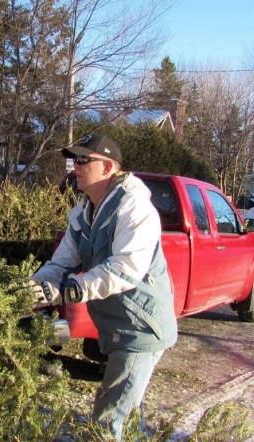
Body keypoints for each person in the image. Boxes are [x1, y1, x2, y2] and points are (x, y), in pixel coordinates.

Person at [29, 134, 178, 441]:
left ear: (109, 166)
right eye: (74, 160)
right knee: (124, 414)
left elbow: (126, 268)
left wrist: (73, 289)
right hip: (116, 326)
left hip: (141, 327)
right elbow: (62, 262)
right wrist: (31, 290)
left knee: (109, 421)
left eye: (84, 160)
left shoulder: (135, 208)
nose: (76, 167)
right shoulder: (84, 213)